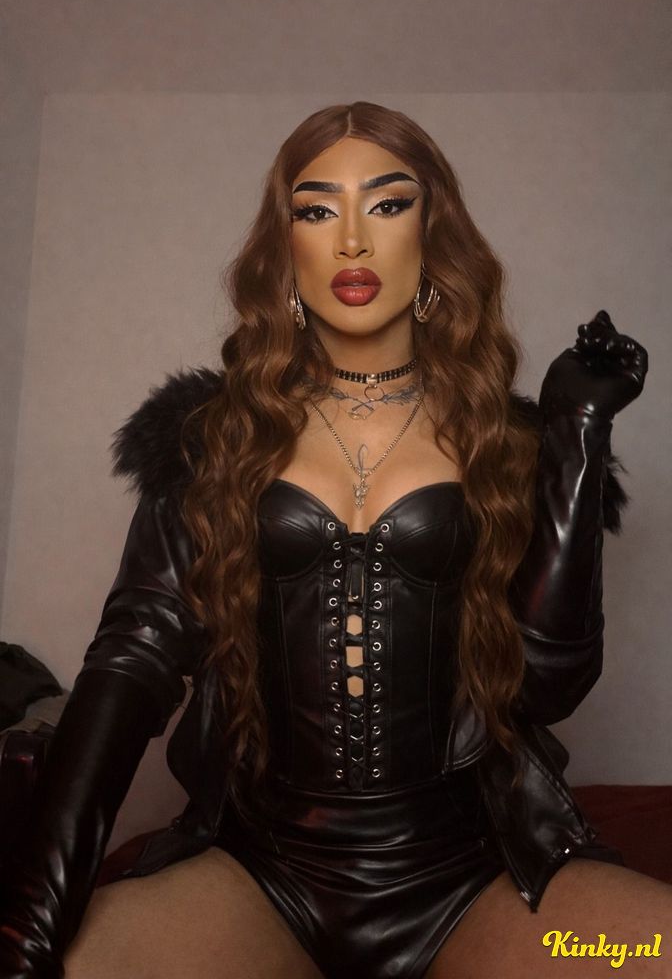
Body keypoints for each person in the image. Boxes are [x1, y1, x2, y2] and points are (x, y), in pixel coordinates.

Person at [0, 101, 669, 979]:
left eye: (387, 204)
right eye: (316, 210)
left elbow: (549, 683)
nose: (352, 240)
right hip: (265, 874)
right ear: (286, 249)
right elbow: (132, 662)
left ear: (432, 234)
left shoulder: (505, 444)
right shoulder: (216, 439)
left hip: (468, 876)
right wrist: (29, 925)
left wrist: (576, 434)